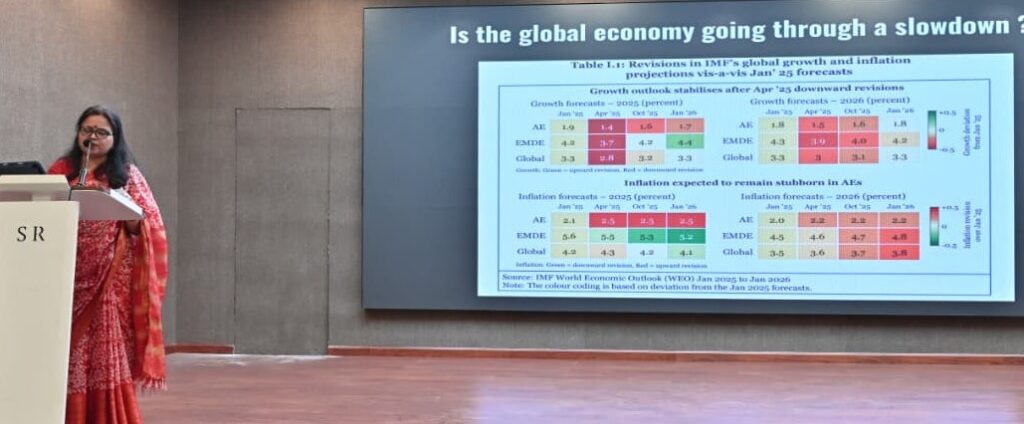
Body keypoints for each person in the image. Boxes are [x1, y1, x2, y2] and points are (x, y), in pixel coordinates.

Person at [48, 105, 168, 423]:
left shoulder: (125, 175)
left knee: (100, 350)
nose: (93, 137)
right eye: (87, 130)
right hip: (64, 274)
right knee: (66, 352)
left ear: (115, 138)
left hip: (108, 281)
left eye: (102, 132)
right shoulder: (62, 169)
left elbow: (149, 224)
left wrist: (128, 215)